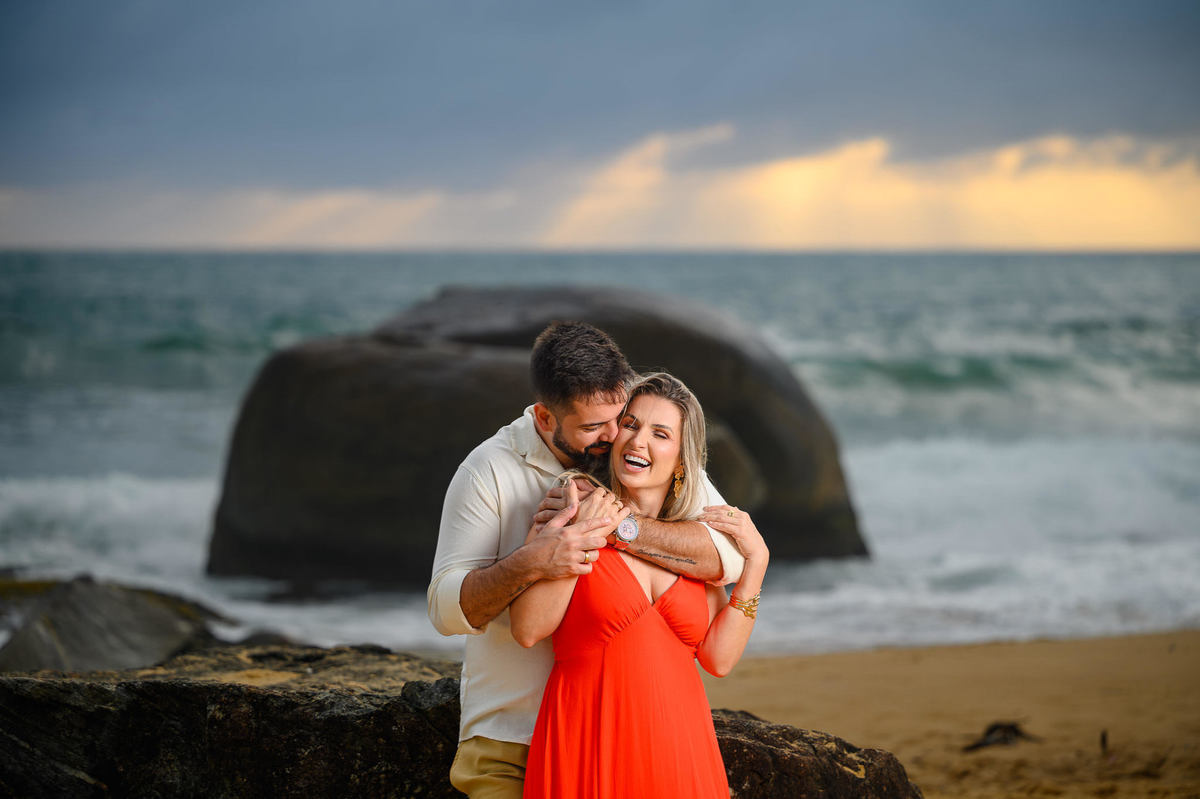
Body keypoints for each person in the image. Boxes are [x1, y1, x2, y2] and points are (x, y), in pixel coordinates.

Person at [427, 322, 745, 798]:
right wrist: (533, 561)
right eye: (594, 427)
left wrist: (619, 527)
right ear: (545, 417)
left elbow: (725, 556)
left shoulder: (634, 453)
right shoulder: (488, 471)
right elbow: (445, 610)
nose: (618, 436)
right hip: (511, 736)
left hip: (626, 735)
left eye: (622, 417)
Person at [511, 372, 769, 798]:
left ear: (682, 458)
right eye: (630, 425)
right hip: (590, 748)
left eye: (660, 433)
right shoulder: (574, 508)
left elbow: (718, 659)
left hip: (683, 757)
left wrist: (756, 564)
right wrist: (588, 528)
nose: (637, 442)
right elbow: (528, 628)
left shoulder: (694, 542)